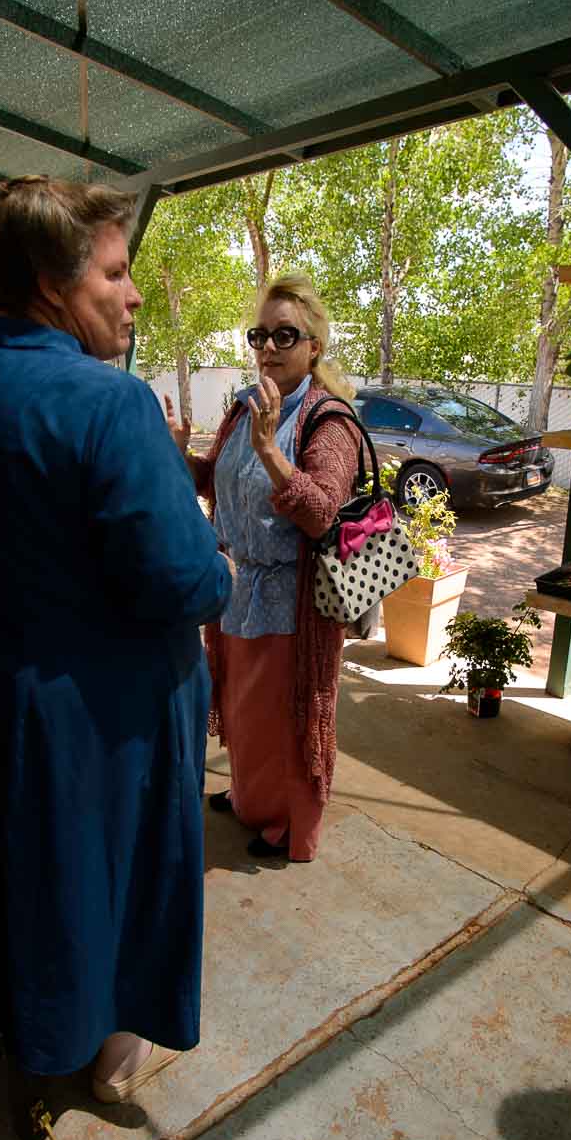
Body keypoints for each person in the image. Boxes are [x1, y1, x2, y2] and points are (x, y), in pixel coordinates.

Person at [0, 176, 231, 1104]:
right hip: (120, 699)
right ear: (54, 287)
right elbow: (184, 581)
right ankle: (112, 1054)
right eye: (114, 272)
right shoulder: (109, 403)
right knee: (130, 873)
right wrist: (217, 565)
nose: (131, 294)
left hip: (2, 679)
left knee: (44, 873)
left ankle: (45, 1037)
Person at [176, 273, 362, 862]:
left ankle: (286, 823)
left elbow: (320, 511)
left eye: (286, 335)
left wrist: (271, 452)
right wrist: (173, 451)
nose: (270, 348)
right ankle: (251, 795)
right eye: (261, 335)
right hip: (237, 591)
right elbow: (211, 482)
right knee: (241, 708)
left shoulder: (329, 422)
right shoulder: (246, 409)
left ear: (314, 347)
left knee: (284, 718)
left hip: (291, 603)